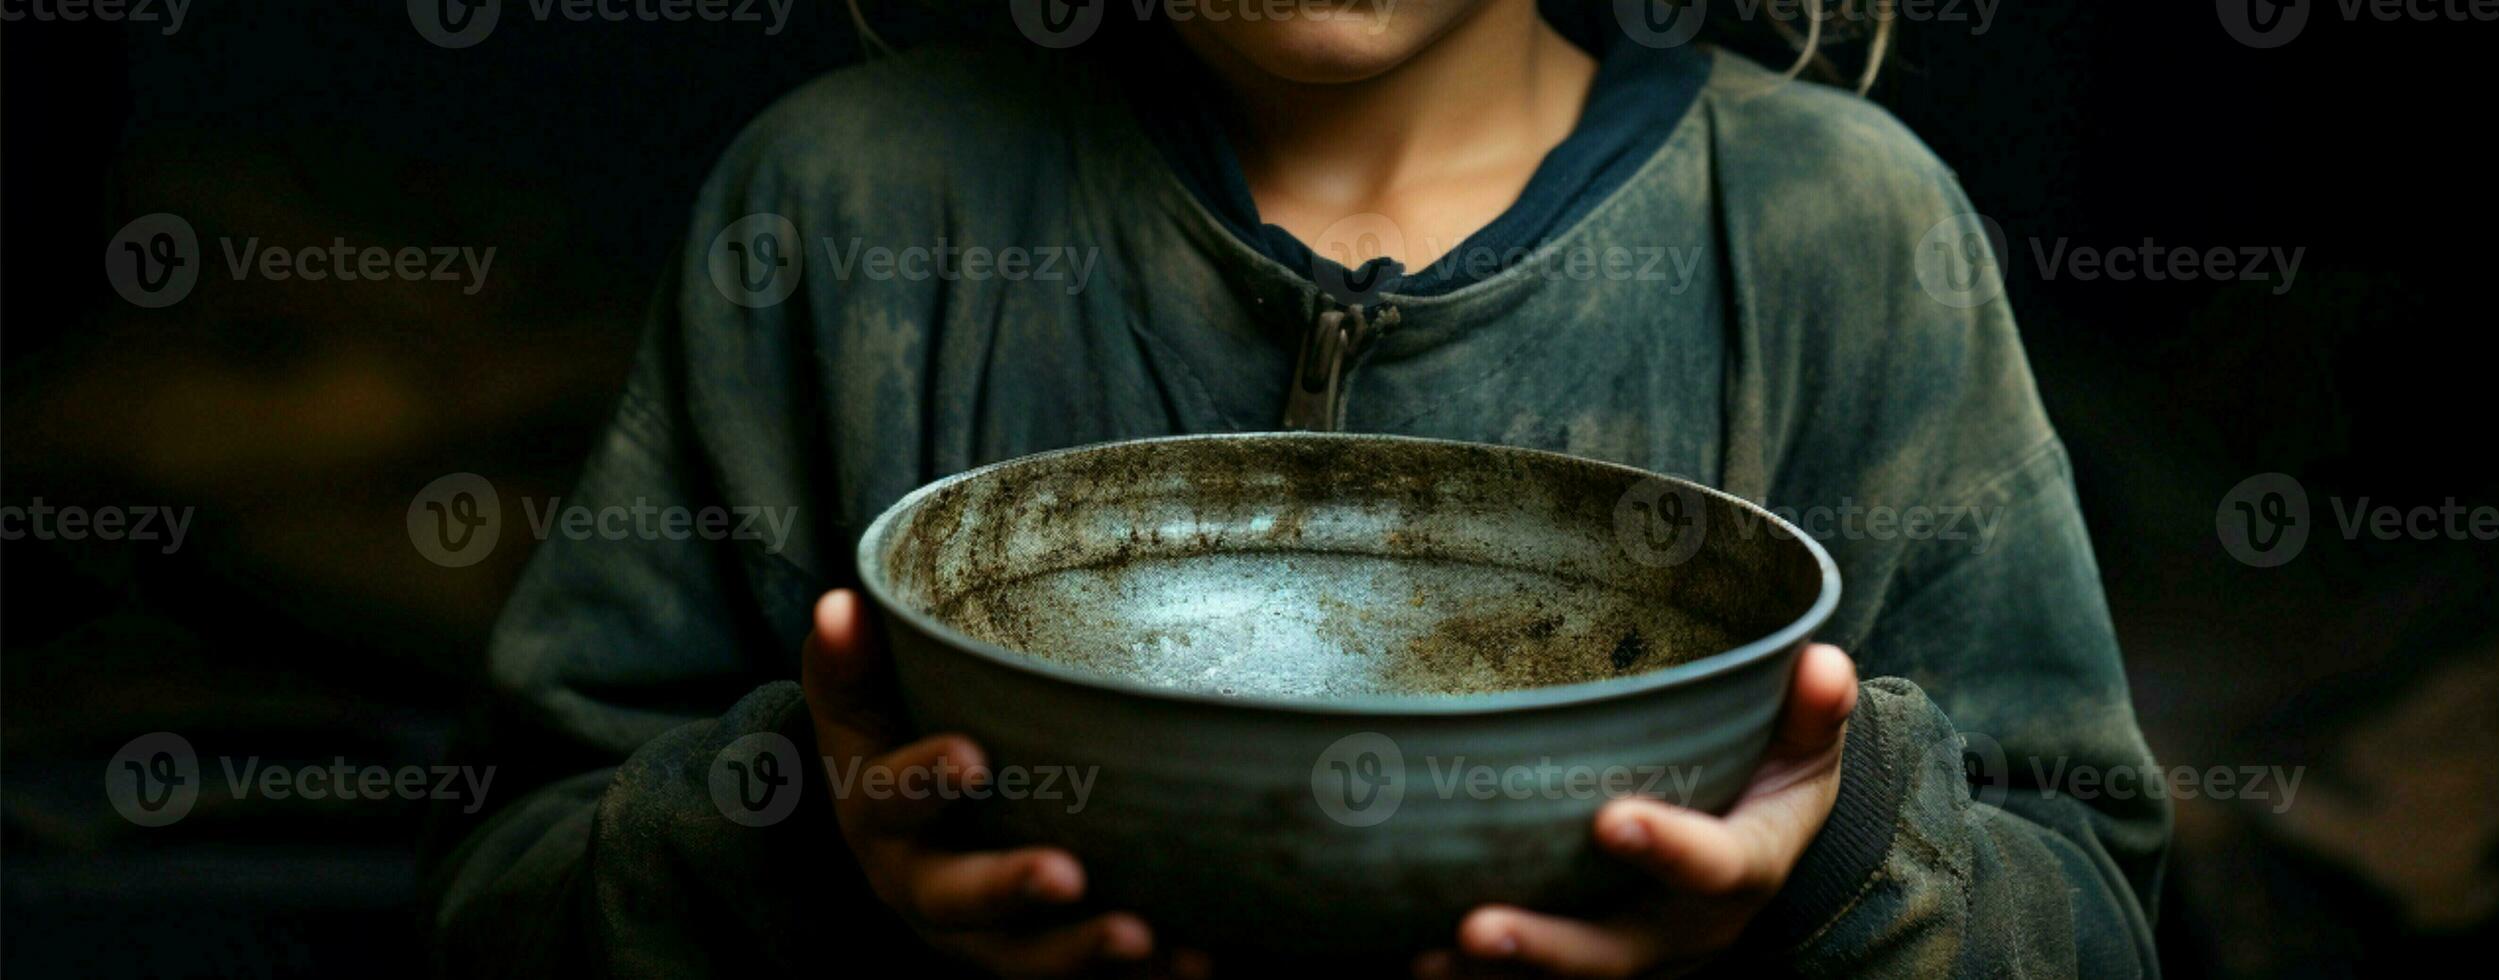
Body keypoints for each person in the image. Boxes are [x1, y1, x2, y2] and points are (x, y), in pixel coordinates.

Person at [424, 2, 2167, 975]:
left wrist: (1829, 843)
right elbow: (500, 900)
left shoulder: (1835, 228)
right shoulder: (847, 205)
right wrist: (805, 826)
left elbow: (2094, 910)